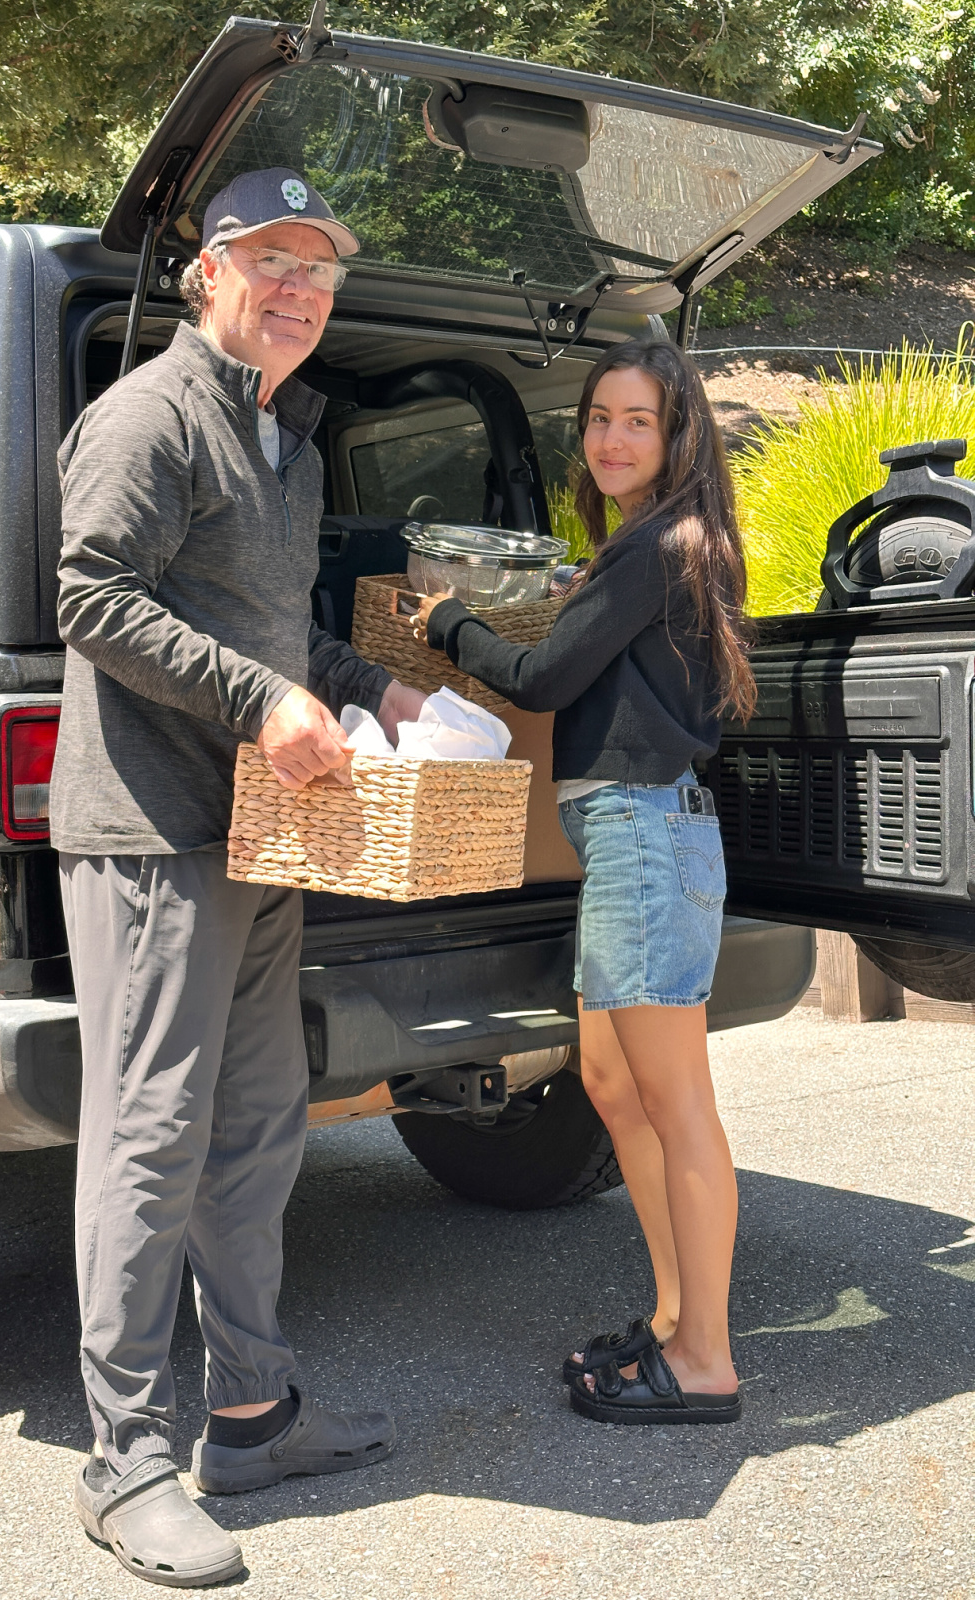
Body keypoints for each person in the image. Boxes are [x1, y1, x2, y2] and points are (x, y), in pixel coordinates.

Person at [51, 167, 427, 1587]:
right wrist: (259, 702)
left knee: (264, 1124)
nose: (301, 291)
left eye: (321, 272)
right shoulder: (151, 416)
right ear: (209, 271)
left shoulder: (287, 438)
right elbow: (91, 595)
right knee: (149, 1139)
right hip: (154, 829)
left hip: (266, 832)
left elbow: (270, 620)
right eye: (274, 261)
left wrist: (359, 685)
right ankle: (124, 1460)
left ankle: (255, 1414)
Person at [414, 338, 756, 1426]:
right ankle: (669, 1321)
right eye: (600, 417)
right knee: (612, 1088)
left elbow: (546, 676)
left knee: (677, 1103)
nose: (611, 436)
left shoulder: (659, 545)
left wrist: (447, 620)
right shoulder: (654, 548)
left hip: (649, 836)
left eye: (636, 420)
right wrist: (578, 589)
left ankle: (706, 1358)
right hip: (628, 839)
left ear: (677, 434)